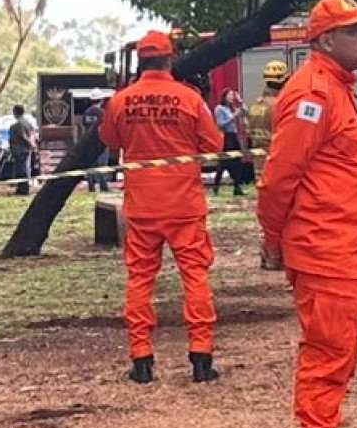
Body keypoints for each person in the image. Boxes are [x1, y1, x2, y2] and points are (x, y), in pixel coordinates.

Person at [258, 0, 357, 428]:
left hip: (346, 249)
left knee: (339, 355)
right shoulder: (313, 93)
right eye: (356, 30)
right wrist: (274, 238)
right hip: (328, 251)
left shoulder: (335, 90)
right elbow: (278, 178)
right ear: (325, 40)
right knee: (326, 357)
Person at [98, 33, 221, 385]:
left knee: (139, 280)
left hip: (142, 206)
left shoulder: (121, 101)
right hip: (184, 204)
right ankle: (201, 357)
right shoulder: (189, 98)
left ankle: (141, 361)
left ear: (140, 61)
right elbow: (213, 144)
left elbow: (111, 140)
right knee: (195, 277)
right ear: (170, 59)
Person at [214, 88, 254, 196]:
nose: (232, 97)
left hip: (235, 135)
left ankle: (237, 187)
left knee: (238, 161)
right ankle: (216, 185)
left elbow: (245, 111)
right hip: (226, 137)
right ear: (225, 96)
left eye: (233, 95)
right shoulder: (220, 108)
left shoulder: (233, 108)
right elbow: (220, 124)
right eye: (230, 95)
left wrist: (240, 101)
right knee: (223, 163)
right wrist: (233, 116)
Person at [7, 103, 39, 195]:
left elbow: (24, 136)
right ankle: (22, 188)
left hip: (20, 150)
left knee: (21, 170)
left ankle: (23, 189)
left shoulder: (18, 124)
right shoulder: (27, 123)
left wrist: (31, 144)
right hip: (26, 150)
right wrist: (33, 145)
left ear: (15, 112)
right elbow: (33, 134)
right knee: (25, 168)